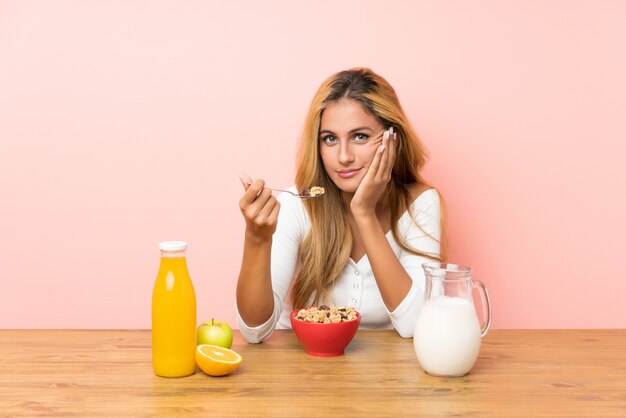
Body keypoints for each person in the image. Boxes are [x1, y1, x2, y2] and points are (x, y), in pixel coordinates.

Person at [236, 68, 445, 343]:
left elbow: (416, 325)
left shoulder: (421, 204)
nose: (344, 157)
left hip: (389, 376)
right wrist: (256, 239)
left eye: (360, 136)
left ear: (393, 138)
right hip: (306, 371)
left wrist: (365, 214)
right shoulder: (297, 205)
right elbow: (255, 331)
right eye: (330, 139)